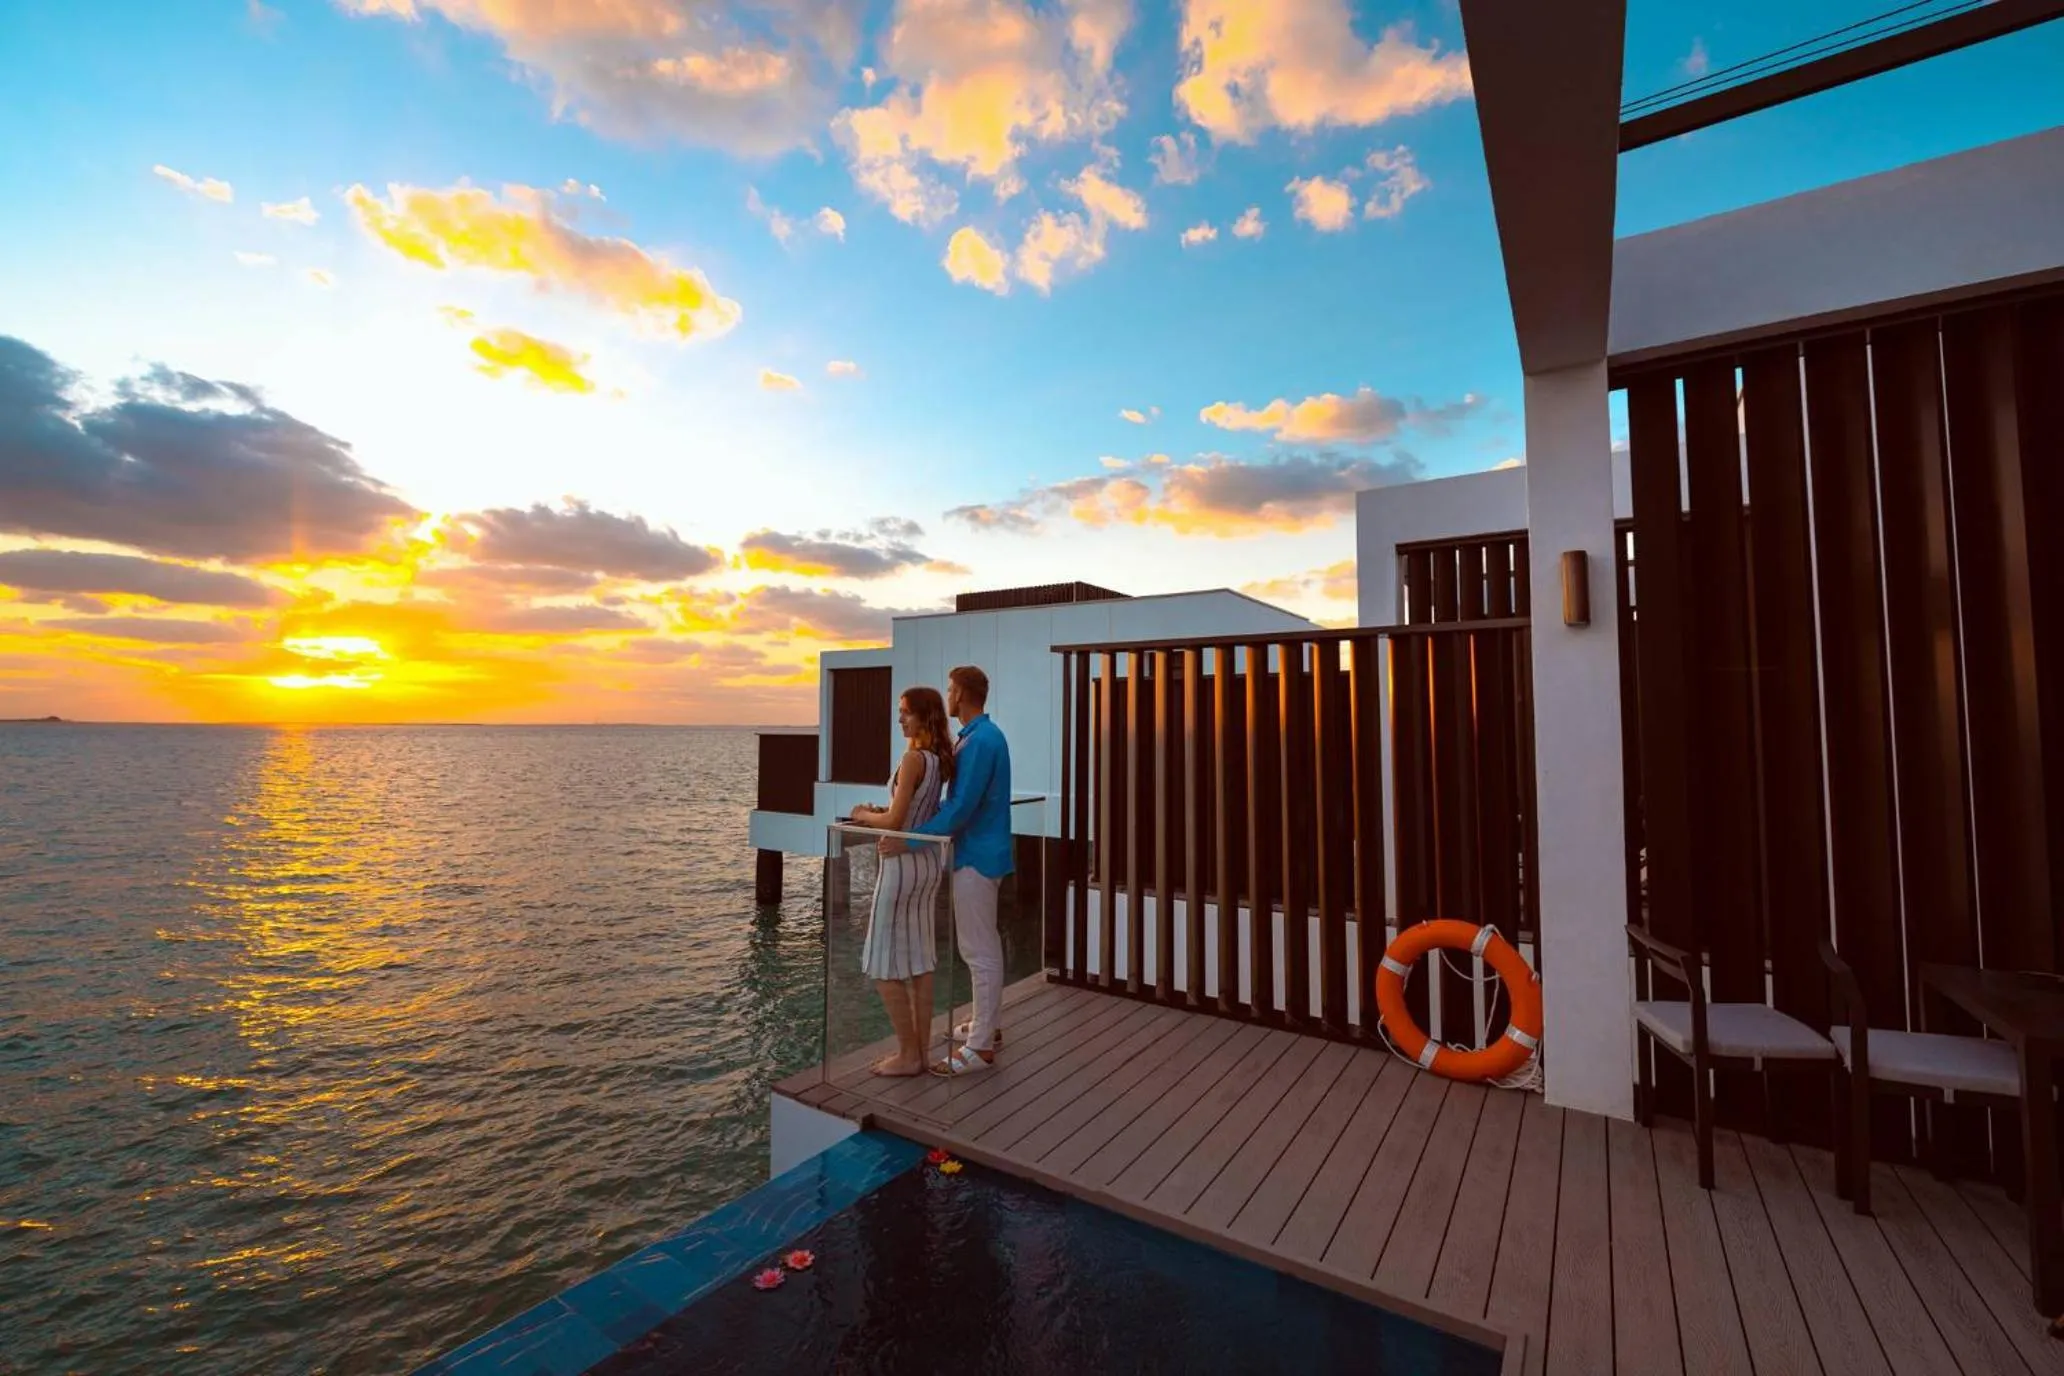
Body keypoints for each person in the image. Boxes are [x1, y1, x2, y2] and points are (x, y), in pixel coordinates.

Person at [906, 664, 1012, 1076]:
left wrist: (913, 838)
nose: (947, 695)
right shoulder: (980, 737)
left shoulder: (982, 741)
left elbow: (961, 807)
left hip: (978, 856)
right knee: (981, 947)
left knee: (978, 951)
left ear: (963, 694)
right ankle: (988, 1026)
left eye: (950, 689)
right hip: (981, 852)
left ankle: (981, 1047)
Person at [844, 687, 953, 1077]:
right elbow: (914, 811)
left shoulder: (911, 759)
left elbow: (894, 822)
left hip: (900, 864)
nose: (900, 718)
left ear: (924, 716)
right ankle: (920, 1053)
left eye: (906, 712)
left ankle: (908, 1055)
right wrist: (885, 812)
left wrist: (862, 814)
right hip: (926, 863)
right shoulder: (940, 759)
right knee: (920, 960)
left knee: (881, 962)